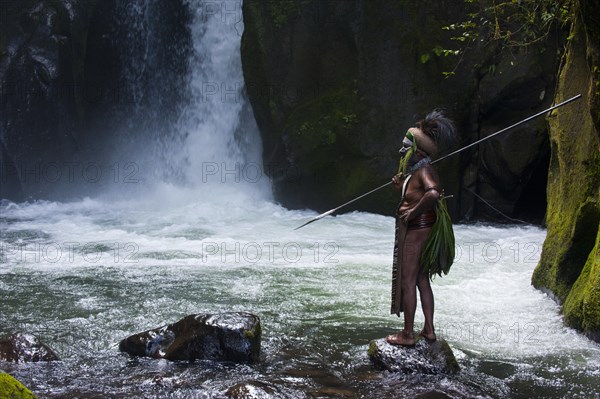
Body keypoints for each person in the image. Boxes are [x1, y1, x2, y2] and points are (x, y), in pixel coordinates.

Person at [387, 110, 456, 346]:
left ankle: (407, 335)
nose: (401, 152)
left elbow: (433, 193)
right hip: (420, 228)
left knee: (408, 280)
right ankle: (428, 330)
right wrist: (401, 190)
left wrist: (412, 212)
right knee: (421, 280)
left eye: (405, 148)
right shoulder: (416, 172)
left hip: (418, 230)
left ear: (418, 151)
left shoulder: (425, 170)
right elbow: (417, 195)